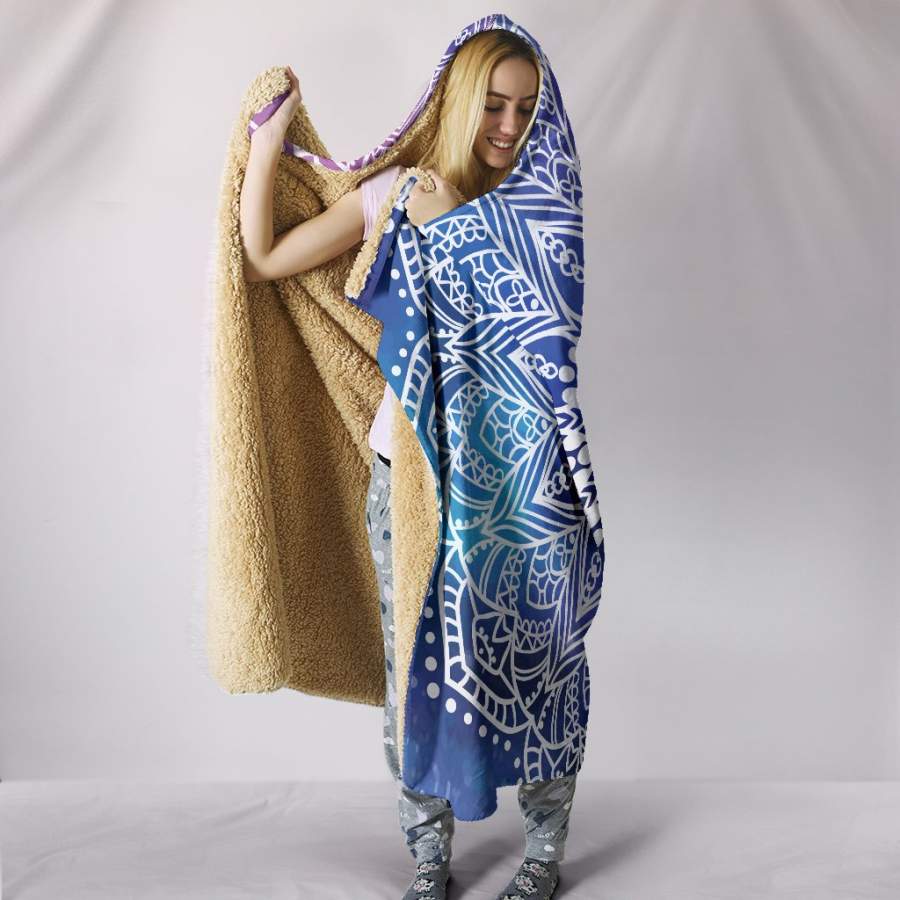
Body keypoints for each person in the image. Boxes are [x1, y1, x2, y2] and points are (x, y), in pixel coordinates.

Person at [238, 29, 575, 900]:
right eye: (493, 104)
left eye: (526, 108)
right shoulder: (393, 194)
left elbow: (535, 336)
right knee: (416, 666)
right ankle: (428, 854)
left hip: (520, 480)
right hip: (412, 474)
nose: (509, 125)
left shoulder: (542, 207)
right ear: (458, 101)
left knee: (539, 653)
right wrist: (268, 143)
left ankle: (544, 852)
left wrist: (450, 226)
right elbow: (266, 261)